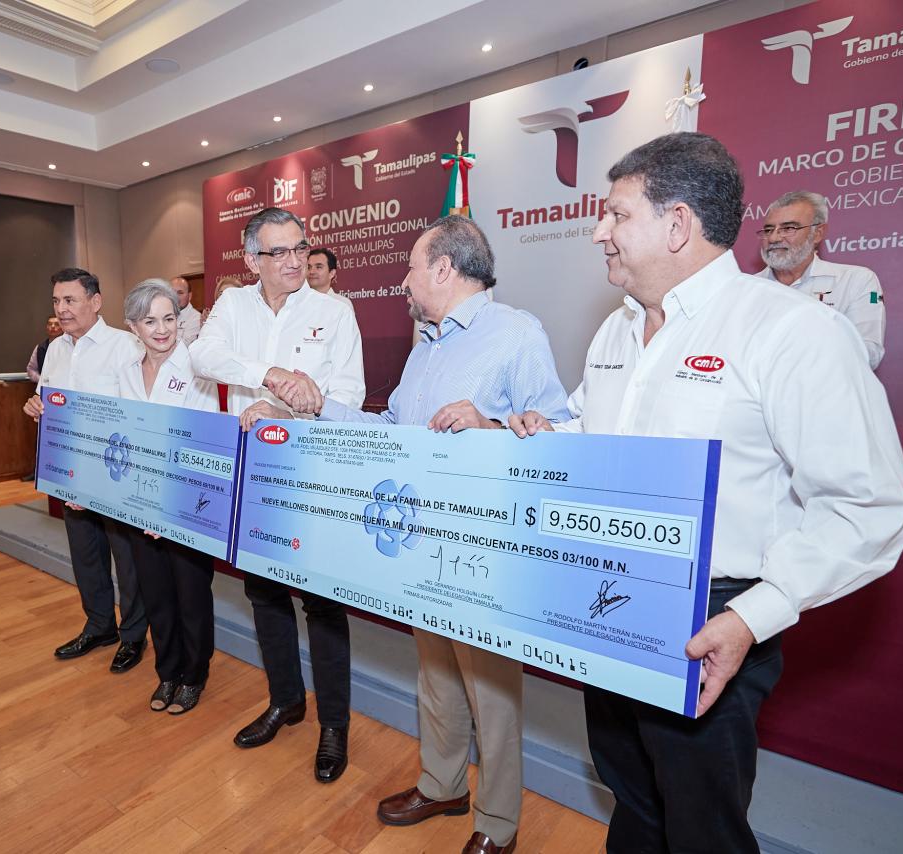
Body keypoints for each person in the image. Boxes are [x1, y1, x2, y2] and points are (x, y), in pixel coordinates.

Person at [509, 133, 903, 853]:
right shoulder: (616, 331)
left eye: (616, 215)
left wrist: (752, 617)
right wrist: (543, 431)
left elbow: (869, 505)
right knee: (630, 794)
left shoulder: (794, 331)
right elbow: (593, 426)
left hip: (713, 618)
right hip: (608, 596)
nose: (599, 231)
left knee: (702, 826)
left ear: (677, 224)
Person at [272, 216, 569, 854]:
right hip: (420, 540)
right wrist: (319, 407)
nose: (403, 281)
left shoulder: (516, 333)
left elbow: (556, 437)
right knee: (436, 674)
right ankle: (442, 785)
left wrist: (490, 426)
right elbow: (395, 433)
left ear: (443, 269)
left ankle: (498, 823)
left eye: (410, 268)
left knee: (492, 690)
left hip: (483, 546)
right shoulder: (425, 346)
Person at [190, 207, 365, 783]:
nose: (295, 261)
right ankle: (285, 701)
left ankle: (334, 725)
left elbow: (348, 397)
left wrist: (287, 411)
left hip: (313, 475)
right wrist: (269, 375)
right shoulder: (233, 306)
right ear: (252, 260)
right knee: (264, 595)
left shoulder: (334, 311)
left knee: (322, 606)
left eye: (300, 248)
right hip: (254, 474)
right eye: (279, 252)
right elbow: (203, 356)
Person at [22, 268, 149, 673]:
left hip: (113, 472)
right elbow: (47, 399)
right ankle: (99, 626)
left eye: (70, 300)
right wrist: (36, 405)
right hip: (71, 471)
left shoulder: (125, 346)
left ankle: (133, 635)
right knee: (85, 555)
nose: (61, 309)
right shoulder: (55, 349)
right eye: (56, 301)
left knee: (127, 560)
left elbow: (137, 413)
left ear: (95, 302)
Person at [112, 278, 221, 715]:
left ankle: (194, 675)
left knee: (191, 595)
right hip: (139, 506)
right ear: (132, 326)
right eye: (150, 321)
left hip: (186, 506)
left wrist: (167, 510)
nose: (162, 329)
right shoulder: (124, 372)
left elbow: (202, 445)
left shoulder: (196, 369)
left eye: (169, 318)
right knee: (156, 594)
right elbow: (122, 436)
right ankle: (168, 671)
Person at [756, 190, 886, 369]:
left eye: (788, 228)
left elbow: (868, 353)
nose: (773, 238)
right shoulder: (744, 289)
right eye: (769, 230)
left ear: (817, 233)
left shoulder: (856, 281)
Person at [26, 315, 63, 383]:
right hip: (45, 386)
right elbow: (31, 369)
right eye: (50, 324)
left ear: (63, 327)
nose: (52, 326)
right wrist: (42, 381)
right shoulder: (40, 348)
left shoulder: (70, 346)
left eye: (57, 324)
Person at [170, 276, 202, 344]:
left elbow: (184, 346)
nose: (175, 297)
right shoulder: (163, 315)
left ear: (189, 296)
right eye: (172, 293)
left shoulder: (196, 318)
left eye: (180, 293)